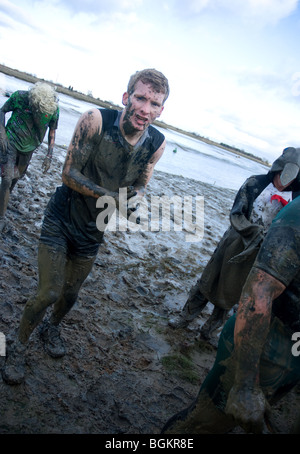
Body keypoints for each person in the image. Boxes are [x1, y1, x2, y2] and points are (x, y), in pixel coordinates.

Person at [2, 68, 170, 385]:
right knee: (48, 292)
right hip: (61, 220)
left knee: (70, 295)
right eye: (141, 98)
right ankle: (19, 345)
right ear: (126, 97)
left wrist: (135, 200)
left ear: (162, 109)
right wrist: (111, 196)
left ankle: (51, 329)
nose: (146, 109)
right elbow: (68, 174)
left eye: (155, 104)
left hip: (94, 231)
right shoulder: (95, 120)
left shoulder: (157, 144)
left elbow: (141, 184)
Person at [162, 193, 300, 434]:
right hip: (241, 250)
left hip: (291, 356)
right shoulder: (259, 185)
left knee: (226, 296)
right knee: (208, 285)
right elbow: (259, 291)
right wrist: (246, 384)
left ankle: (208, 329)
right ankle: (187, 317)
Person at [168, 147, 300, 341]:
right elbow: (236, 212)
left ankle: (208, 331)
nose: (285, 181)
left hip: (260, 254)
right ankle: (185, 317)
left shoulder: (296, 200)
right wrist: (252, 231)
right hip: (235, 240)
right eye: (283, 175)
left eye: (291, 177)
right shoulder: (255, 183)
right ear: (278, 169)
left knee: (232, 292)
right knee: (208, 280)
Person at [0, 82, 59, 232]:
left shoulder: (53, 109)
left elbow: (52, 132)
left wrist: (49, 155)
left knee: (14, 179)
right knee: (6, 179)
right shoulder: (20, 97)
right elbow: (2, 111)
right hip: (11, 140)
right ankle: (1, 216)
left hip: (30, 147)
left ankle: (3, 202)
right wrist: (1, 133)